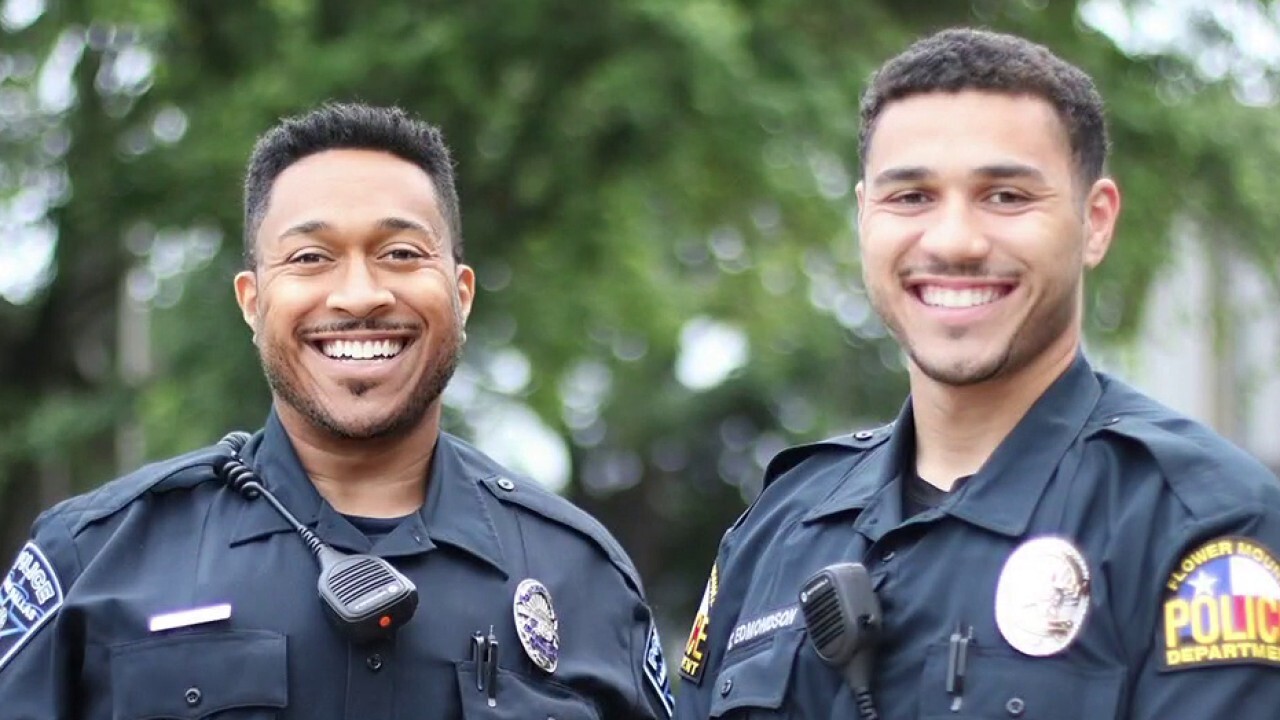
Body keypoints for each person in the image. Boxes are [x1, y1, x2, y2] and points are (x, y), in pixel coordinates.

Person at [673, 28, 1280, 720]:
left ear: (1096, 222)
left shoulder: (1199, 525)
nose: (955, 241)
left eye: (1006, 197)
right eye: (911, 198)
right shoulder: (777, 534)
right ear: (864, 216)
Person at [0, 103, 675, 719]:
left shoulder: (582, 576)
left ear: (461, 294)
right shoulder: (93, 559)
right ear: (252, 300)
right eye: (311, 257)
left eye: (402, 253)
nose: (359, 294)